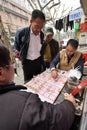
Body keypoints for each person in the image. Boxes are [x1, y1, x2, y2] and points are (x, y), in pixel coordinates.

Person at [0, 42, 76, 130]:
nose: (69, 52)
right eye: (12, 64)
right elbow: (57, 119)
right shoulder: (24, 103)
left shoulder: (79, 56)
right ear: (1, 72)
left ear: (75, 50)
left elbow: (80, 70)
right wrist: (69, 103)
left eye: (71, 51)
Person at [14, 9, 45, 83]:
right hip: (27, 63)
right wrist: (20, 55)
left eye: (41, 27)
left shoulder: (42, 35)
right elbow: (17, 46)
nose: (38, 30)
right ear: (31, 22)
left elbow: (40, 49)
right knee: (28, 83)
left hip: (37, 62)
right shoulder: (21, 32)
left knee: (39, 81)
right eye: (36, 26)